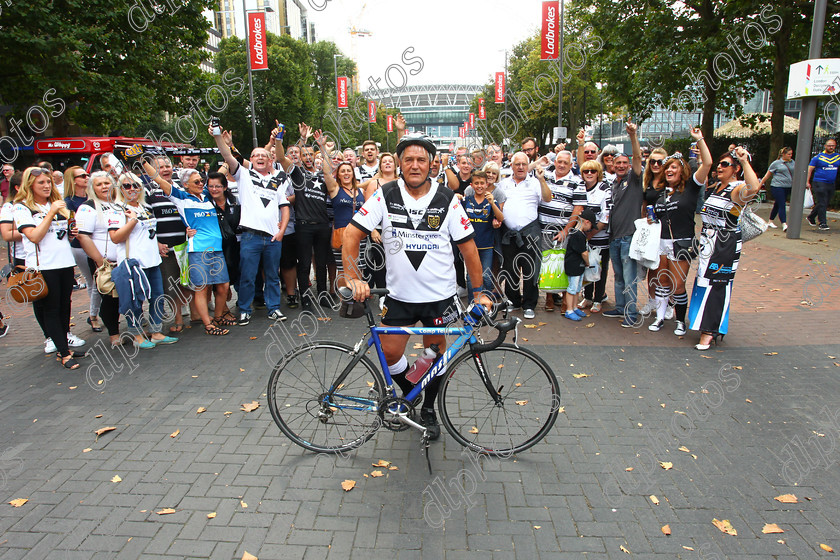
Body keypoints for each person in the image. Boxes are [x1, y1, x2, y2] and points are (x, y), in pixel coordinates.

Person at [342, 134, 490, 440]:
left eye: (421, 159)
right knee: (390, 353)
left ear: (432, 164)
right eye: (408, 159)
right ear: (398, 163)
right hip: (400, 296)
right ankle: (411, 389)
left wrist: (479, 292)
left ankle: (428, 410)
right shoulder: (384, 195)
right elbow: (351, 235)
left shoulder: (448, 199)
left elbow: (470, 250)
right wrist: (352, 277)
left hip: (441, 298)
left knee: (435, 357)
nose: (414, 165)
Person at [142, 160, 231, 335]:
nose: (201, 184)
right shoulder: (180, 197)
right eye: (196, 182)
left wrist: (226, 147)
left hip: (217, 249)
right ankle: (208, 325)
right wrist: (142, 161)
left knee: (224, 286)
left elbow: (221, 172)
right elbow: (159, 179)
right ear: (185, 184)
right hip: (197, 250)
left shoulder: (207, 194)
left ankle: (218, 316)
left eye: (201, 181)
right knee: (202, 288)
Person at [214, 122, 291, 324]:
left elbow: (284, 207)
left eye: (264, 156)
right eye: (256, 155)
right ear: (251, 159)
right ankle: (244, 309)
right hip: (250, 236)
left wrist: (282, 231)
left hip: (273, 238)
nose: (260, 158)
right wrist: (217, 136)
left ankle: (274, 308)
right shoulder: (244, 175)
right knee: (247, 276)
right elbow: (227, 156)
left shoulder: (278, 180)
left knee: (273, 276)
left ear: (269, 161)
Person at [14, 167, 85, 369]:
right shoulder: (22, 208)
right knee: (51, 308)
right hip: (43, 266)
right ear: (30, 185)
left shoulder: (56, 205)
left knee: (65, 306)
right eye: (41, 183)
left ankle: (65, 347)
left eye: (48, 182)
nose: (46, 186)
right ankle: (63, 352)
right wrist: (52, 212)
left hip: (64, 262)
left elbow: (61, 235)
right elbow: (34, 236)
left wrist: (71, 232)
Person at [689, 147, 760, 349]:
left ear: (736, 169)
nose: (720, 167)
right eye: (719, 164)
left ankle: (709, 331)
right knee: (704, 282)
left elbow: (754, 188)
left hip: (724, 244)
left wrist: (745, 161)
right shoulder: (716, 187)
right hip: (708, 243)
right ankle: (706, 324)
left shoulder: (737, 189)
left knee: (717, 285)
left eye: (725, 164)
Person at [647, 128, 712, 335]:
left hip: (682, 243)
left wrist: (699, 139)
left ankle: (680, 321)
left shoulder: (691, 188)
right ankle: (659, 318)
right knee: (662, 281)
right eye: (667, 168)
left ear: (681, 170)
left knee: (677, 285)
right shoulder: (662, 194)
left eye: (673, 167)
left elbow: (708, 164)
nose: (668, 171)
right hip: (662, 243)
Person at [109, 172, 178, 348]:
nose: (132, 189)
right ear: (120, 188)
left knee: (157, 296)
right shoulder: (117, 209)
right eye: (126, 186)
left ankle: (155, 332)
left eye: (135, 185)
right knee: (134, 301)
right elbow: (115, 237)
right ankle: (137, 336)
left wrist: (158, 244)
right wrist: (131, 221)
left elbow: (148, 232)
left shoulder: (144, 206)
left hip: (153, 260)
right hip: (133, 263)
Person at [273, 123, 330, 310]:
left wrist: (322, 146)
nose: (306, 157)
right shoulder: (297, 174)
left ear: (315, 157)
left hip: (323, 225)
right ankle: (306, 299)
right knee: (304, 264)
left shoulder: (324, 175)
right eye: (303, 155)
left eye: (309, 155)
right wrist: (279, 138)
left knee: (321, 264)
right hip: (304, 226)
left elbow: (332, 167)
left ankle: (322, 296)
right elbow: (280, 157)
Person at [498, 152, 553, 319]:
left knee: (530, 268)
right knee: (510, 268)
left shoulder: (536, 182)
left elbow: (548, 198)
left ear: (527, 166)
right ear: (512, 166)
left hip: (530, 231)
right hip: (509, 233)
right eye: (517, 164)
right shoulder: (503, 183)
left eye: (523, 164)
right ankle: (514, 300)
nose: (520, 167)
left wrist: (542, 180)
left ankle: (529, 304)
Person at [602, 121, 644, 327]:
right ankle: (620, 308)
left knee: (629, 279)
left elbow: (637, 157)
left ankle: (631, 314)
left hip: (629, 236)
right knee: (618, 277)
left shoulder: (634, 180)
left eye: (624, 163)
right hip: (614, 237)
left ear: (629, 165)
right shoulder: (614, 184)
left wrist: (633, 136)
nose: (620, 166)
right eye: (617, 163)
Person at [143, 155, 190, 334]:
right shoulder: (148, 190)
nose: (165, 169)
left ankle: (194, 314)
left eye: (167, 165)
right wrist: (156, 242)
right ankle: (177, 318)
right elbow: (146, 220)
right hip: (165, 247)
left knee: (187, 282)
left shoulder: (181, 186)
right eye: (160, 167)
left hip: (184, 245)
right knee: (171, 285)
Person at [76, 171, 124, 347]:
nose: (104, 186)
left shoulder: (119, 203)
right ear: (92, 188)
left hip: (124, 259)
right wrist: (100, 261)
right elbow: (83, 236)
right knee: (110, 298)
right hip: (104, 262)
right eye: (99, 184)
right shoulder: (87, 207)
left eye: (107, 182)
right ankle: (114, 334)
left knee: (125, 296)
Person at [539, 150, 585, 312]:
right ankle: (549, 298)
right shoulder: (546, 175)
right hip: (544, 229)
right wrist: (541, 160)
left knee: (566, 266)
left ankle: (566, 300)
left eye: (566, 162)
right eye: (559, 161)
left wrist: (566, 230)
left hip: (564, 231)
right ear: (555, 162)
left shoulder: (577, 181)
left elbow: (578, 208)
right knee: (547, 266)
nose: (562, 165)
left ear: (571, 165)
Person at [63, 166, 103, 332]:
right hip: (80, 246)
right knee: (94, 281)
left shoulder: (92, 197)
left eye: (87, 175)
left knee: (97, 281)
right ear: (73, 180)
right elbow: (73, 228)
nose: (86, 178)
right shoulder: (69, 202)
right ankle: (93, 315)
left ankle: (96, 313)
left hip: (98, 243)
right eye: (82, 176)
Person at [576, 160, 611, 313]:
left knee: (600, 268)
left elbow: (606, 216)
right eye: (586, 171)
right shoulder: (580, 188)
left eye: (593, 171)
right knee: (586, 265)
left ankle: (598, 298)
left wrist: (591, 234)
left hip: (600, 236)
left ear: (598, 173)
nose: (589, 174)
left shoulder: (605, 189)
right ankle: (588, 296)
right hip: (583, 236)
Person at [461, 169, 503, 295]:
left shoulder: (491, 201)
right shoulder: (466, 201)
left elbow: (501, 218)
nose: (479, 186)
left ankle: (487, 303)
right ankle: (472, 304)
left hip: (487, 245)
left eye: (482, 183)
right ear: (472, 185)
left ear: (487, 184)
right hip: (470, 245)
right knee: (470, 277)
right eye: (476, 183)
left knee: (486, 275)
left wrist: (492, 203)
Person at [207, 171, 241, 323]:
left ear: (225, 187)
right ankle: (224, 310)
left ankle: (229, 305)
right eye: (211, 186)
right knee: (220, 281)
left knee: (232, 277)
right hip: (215, 247)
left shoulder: (235, 202)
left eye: (218, 186)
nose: (214, 189)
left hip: (235, 245)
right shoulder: (205, 204)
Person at [563, 209, 596, 321]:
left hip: (579, 266)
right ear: (586, 222)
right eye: (591, 225)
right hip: (574, 265)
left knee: (577, 288)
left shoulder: (578, 233)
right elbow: (584, 253)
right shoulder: (578, 235)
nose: (590, 229)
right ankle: (569, 309)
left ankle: (574, 307)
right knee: (572, 288)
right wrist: (588, 262)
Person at [759, 147, 794, 232]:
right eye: (788, 154)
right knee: (782, 204)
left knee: (777, 204)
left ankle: (770, 221)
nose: (790, 156)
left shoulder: (793, 162)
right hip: (777, 186)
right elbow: (767, 175)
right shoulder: (776, 163)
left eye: (791, 154)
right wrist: (759, 185)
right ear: (783, 154)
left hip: (788, 186)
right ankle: (784, 224)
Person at [806, 138, 838, 231]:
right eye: (829, 145)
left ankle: (811, 217)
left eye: (833, 145)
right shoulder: (818, 157)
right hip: (819, 182)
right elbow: (810, 169)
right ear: (825, 146)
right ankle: (822, 223)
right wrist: (807, 181)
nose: (831, 147)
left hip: (831, 183)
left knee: (824, 202)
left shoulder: (837, 157)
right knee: (823, 202)